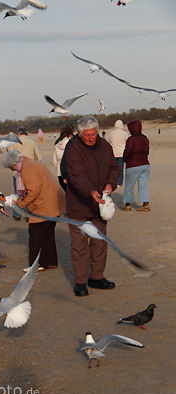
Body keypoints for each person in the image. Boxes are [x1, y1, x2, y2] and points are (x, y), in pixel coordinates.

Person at [63, 116, 120, 297]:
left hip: (99, 207)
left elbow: (114, 168)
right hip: (79, 206)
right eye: (87, 135)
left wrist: (111, 184)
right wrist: (91, 192)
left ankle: (96, 277)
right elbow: (77, 176)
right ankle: (80, 282)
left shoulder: (105, 146)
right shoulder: (73, 149)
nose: (91, 137)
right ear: (79, 134)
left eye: (93, 133)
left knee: (99, 243)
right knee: (79, 247)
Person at [1, 150, 65, 271]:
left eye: (11, 167)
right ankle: (50, 261)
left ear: (14, 163)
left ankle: (38, 264)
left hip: (46, 204)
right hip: (51, 202)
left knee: (36, 234)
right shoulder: (27, 163)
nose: (12, 170)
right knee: (47, 234)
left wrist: (20, 203)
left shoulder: (28, 168)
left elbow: (33, 191)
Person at [9, 127, 42, 220]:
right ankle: (27, 214)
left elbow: (10, 157)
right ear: (26, 133)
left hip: (17, 172)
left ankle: (17, 214)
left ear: (18, 134)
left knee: (17, 193)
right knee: (29, 194)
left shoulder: (14, 143)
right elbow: (39, 157)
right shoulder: (32, 143)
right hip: (30, 172)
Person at [122, 120, 150, 212]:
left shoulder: (131, 139)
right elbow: (147, 151)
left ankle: (128, 205)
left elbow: (127, 151)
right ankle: (145, 204)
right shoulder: (145, 138)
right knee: (143, 185)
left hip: (133, 165)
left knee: (129, 185)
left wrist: (124, 159)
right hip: (145, 164)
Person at [104, 120, 130, 187]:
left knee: (113, 169)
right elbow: (128, 141)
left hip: (113, 153)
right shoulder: (125, 133)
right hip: (122, 153)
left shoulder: (112, 133)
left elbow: (107, 141)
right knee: (120, 168)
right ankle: (119, 182)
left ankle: (113, 181)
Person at [53, 124, 74, 191]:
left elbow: (54, 161)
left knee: (65, 191)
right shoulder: (72, 144)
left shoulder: (57, 144)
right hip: (70, 172)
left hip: (59, 172)